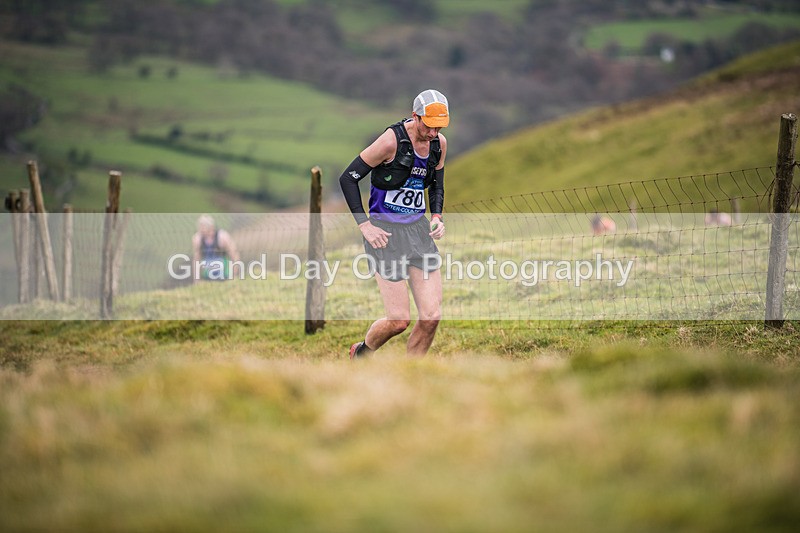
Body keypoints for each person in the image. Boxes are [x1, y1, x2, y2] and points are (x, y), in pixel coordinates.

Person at [338, 89, 449, 359]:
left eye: (440, 127)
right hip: (384, 234)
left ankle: (411, 375)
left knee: (432, 316)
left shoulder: (438, 144)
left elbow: (436, 185)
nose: (434, 133)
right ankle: (362, 353)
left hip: (418, 233)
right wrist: (364, 225)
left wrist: (436, 216)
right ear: (415, 116)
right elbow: (348, 178)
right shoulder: (391, 141)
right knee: (399, 320)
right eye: (429, 126)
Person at [192, 214, 241, 281]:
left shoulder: (223, 236)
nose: (201, 229)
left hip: (224, 274)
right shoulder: (197, 239)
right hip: (208, 275)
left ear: (211, 227)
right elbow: (196, 259)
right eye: (200, 227)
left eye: (203, 227)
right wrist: (197, 279)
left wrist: (234, 275)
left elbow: (235, 255)